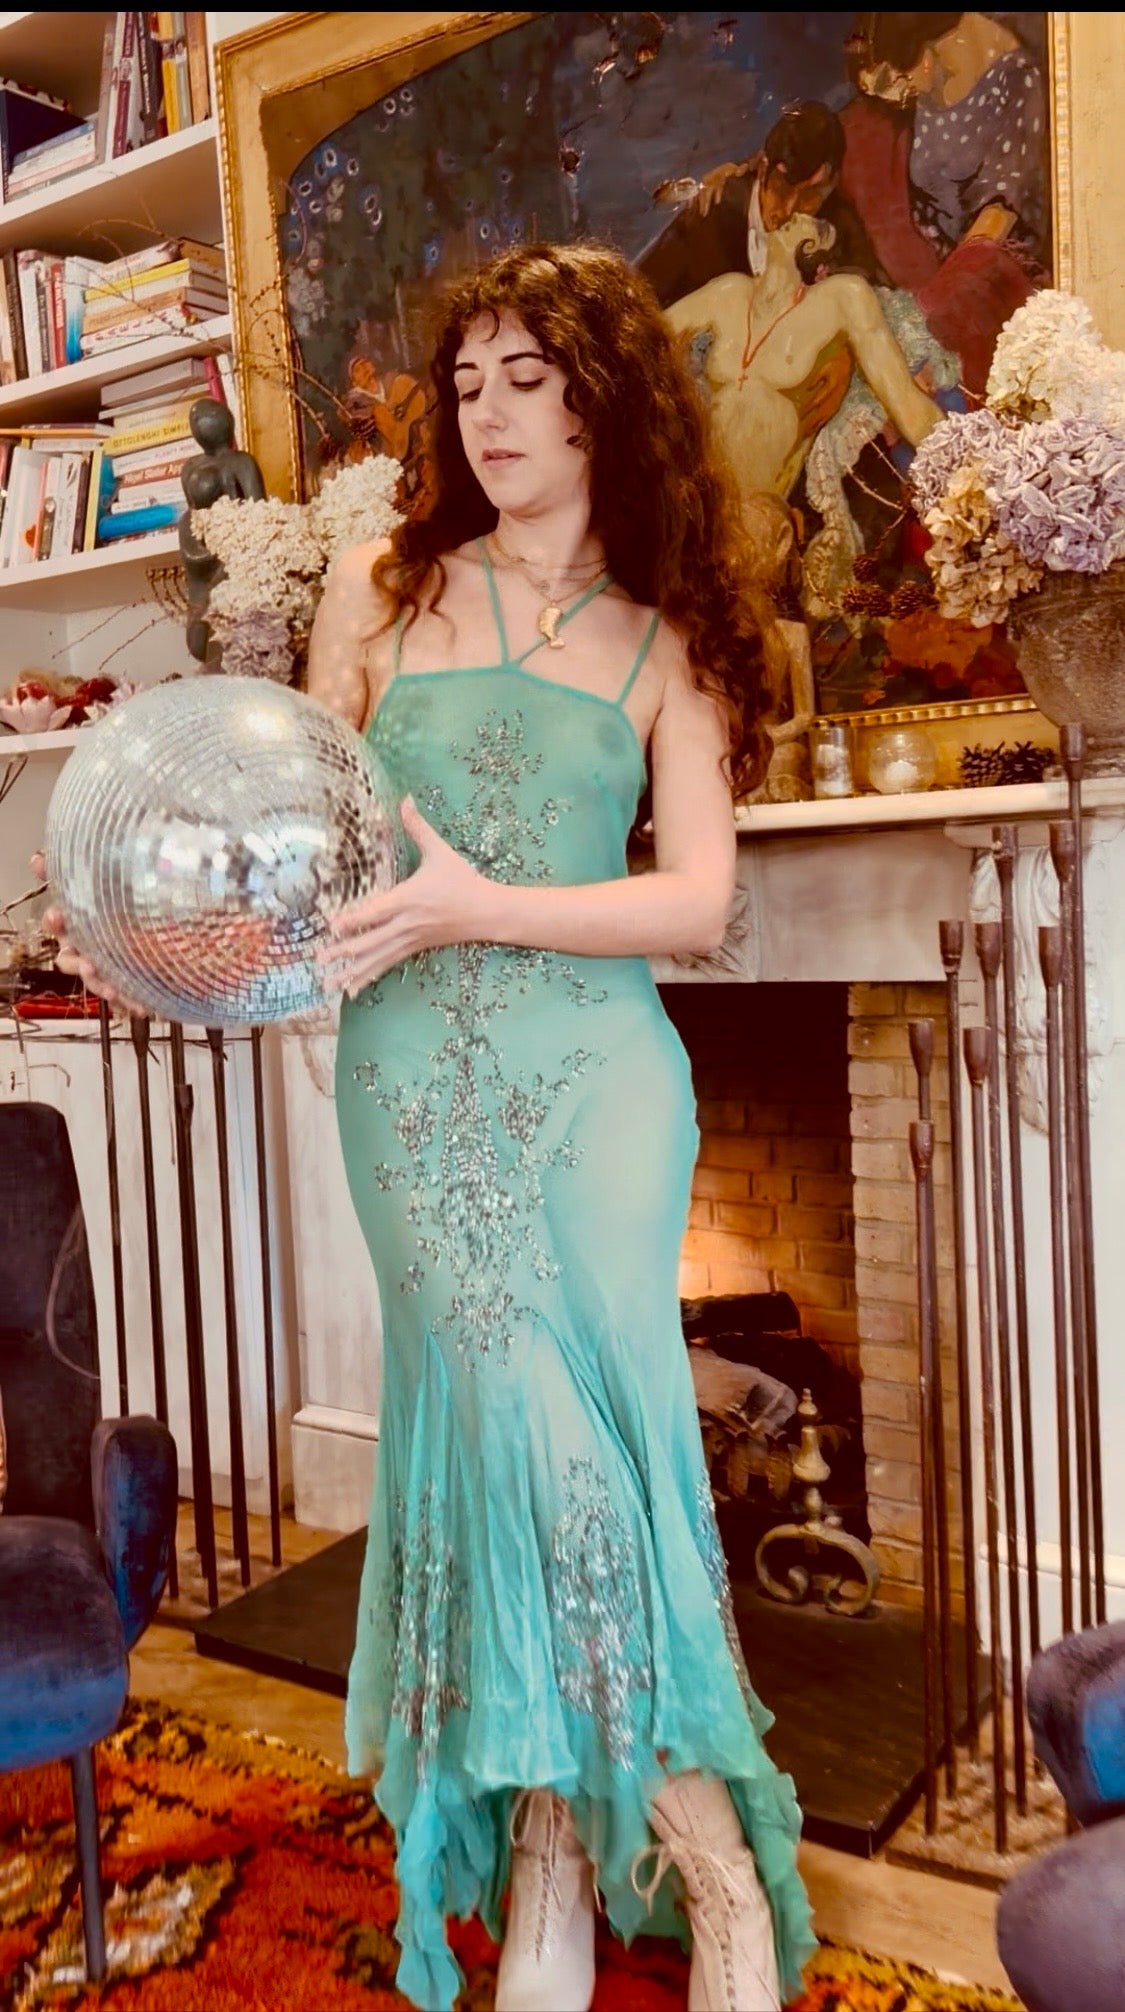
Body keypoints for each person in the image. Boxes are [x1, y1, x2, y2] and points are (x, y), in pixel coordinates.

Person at [42, 241, 815, 2012]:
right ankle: (620, 1857)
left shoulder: (676, 631)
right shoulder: (380, 595)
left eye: (528, 378)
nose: (488, 413)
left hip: (599, 1086)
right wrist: (174, 933)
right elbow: (301, 849)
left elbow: (698, 902)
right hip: (415, 1089)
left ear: (607, 400)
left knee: (594, 1467)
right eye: (467, 384)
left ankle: (641, 1865)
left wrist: (478, 903)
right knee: (520, 1459)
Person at [664, 207, 942, 501]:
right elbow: (647, 333)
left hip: (758, 501)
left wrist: (959, 463)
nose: (795, 216)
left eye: (814, 222)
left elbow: (904, 400)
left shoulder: (841, 297)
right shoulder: (728, 291)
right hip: (690, 487)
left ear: (818, 252)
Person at [640, 99, 879, 310]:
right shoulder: (713, 211)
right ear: (763, 168)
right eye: (781, 189)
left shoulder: (838, 228)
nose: (789, 210)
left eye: (810, 197)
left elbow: (871, 291)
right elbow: (644, 299)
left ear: (832, 186)